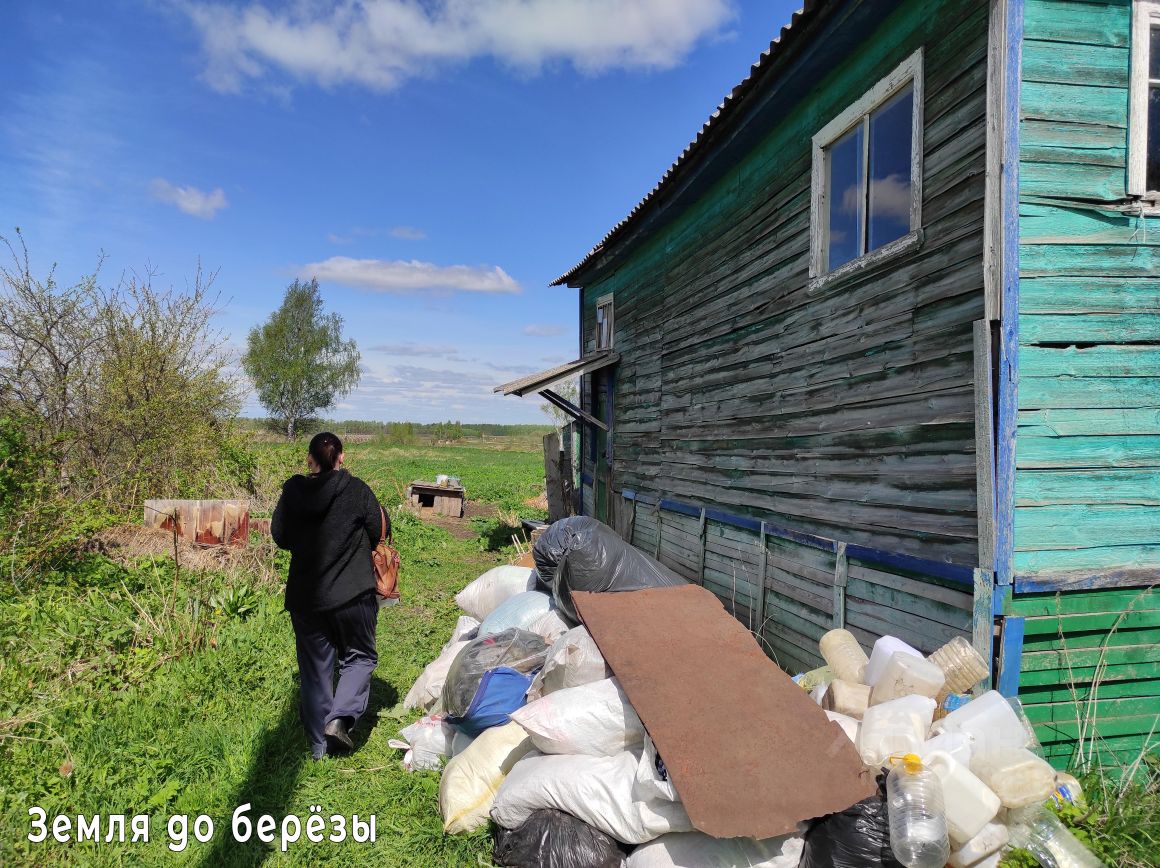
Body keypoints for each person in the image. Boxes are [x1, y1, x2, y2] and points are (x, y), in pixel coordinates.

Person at [271, 431, 386, 759]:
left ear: (310, 459)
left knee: (315, 669)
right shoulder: (357, 489)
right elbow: (378, 531)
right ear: (341, 457)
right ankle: (339, 719)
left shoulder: (292, 492)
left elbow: (280, 535)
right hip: (352, 594)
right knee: (360, 656)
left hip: (306, 597)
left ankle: (319, 749)